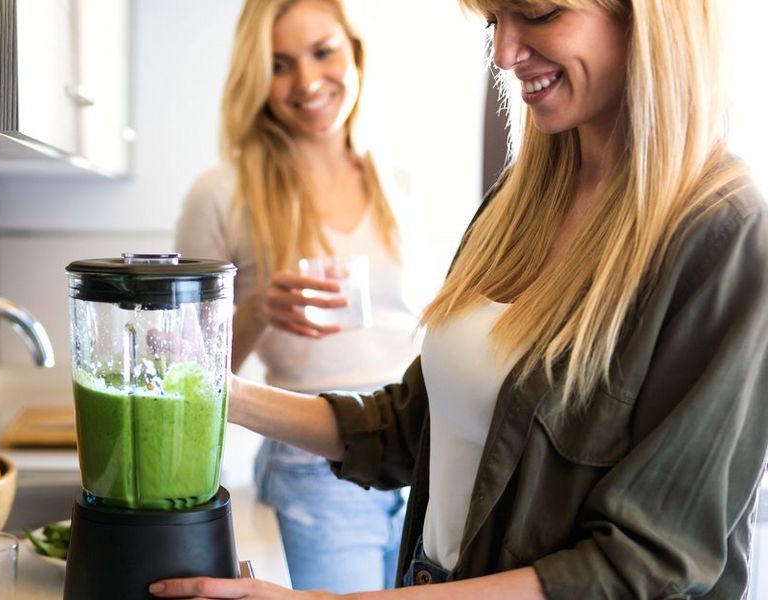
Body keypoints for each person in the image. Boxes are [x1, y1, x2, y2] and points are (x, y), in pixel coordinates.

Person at [155, 0, 768, 598]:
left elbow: (647, 563)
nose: (503, 54)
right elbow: (416, 426)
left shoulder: (724, 234)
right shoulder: (520, 200)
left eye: (538, 14)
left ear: (650, 18)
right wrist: (218, 390)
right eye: (495, 23)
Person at [175, 0, 434, 592]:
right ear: (255, 78)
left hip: (419, 448)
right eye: (280, 64)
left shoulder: (397, 181)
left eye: (323, 52)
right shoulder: (222, 194)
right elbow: (186, 373)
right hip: (314, 463)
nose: (309, 82)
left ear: (355, 52)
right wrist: (258, 308)